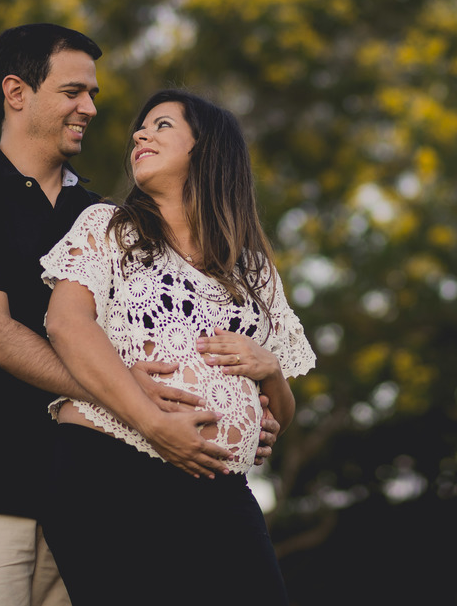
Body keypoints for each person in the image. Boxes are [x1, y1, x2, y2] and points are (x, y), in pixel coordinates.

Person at [0, 26, 279, 606]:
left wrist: (239, 403)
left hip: (90, 492)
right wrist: (130, 397)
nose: (92, 108)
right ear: (16, 91)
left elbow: (161, 336)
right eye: (74, 91)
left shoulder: (108, 217)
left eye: (94, 94)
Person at [38, 89, 316, 605]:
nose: (140, 134)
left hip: (219, 486)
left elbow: (279, 416)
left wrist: (271, 369)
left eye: (161, 125)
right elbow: (66, 326)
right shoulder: (107, 227)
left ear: (206, 149)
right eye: (140, 129)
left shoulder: (254, 271)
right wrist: (155, 425)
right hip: (110, 471)